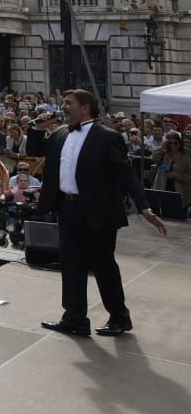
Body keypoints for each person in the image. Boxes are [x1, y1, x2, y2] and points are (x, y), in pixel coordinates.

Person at [38, 89, 166, 338]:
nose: (63, 107)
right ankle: (75, 318)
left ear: (85, 107)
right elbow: (36, 149)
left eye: (68, 103)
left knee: (103, 265)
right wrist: (36, 127)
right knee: (71, 264)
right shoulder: (60, 134)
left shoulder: (108, 137)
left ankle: (119, 318)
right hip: (67, 208)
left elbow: (126, 174)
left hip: (98, 211)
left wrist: (144, 206)